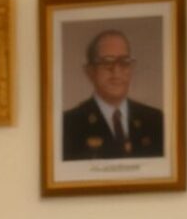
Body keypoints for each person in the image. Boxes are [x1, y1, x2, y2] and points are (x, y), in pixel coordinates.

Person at [59, 28, 165, 161]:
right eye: (107, 62)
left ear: (131, 68)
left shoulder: (156, 121)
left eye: (124, 62)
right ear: (90, 71)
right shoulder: (68, 125)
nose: (116, 71)